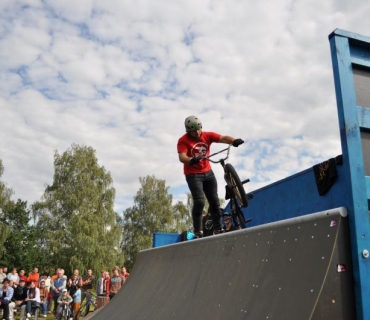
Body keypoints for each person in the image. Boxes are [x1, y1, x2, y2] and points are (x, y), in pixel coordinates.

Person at [177, 115, 244, 238]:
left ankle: (218, 228)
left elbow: (223, 138)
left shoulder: (207, 135)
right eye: (194, 131)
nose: (197, 132)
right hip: (193, 175)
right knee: (200, 201)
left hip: (208, 173)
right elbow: (182, 156)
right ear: (188, 131)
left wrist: (234, 141)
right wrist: (191, 159)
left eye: (199, 129)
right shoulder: (183, 140)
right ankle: (198, 231)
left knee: (214, 201)